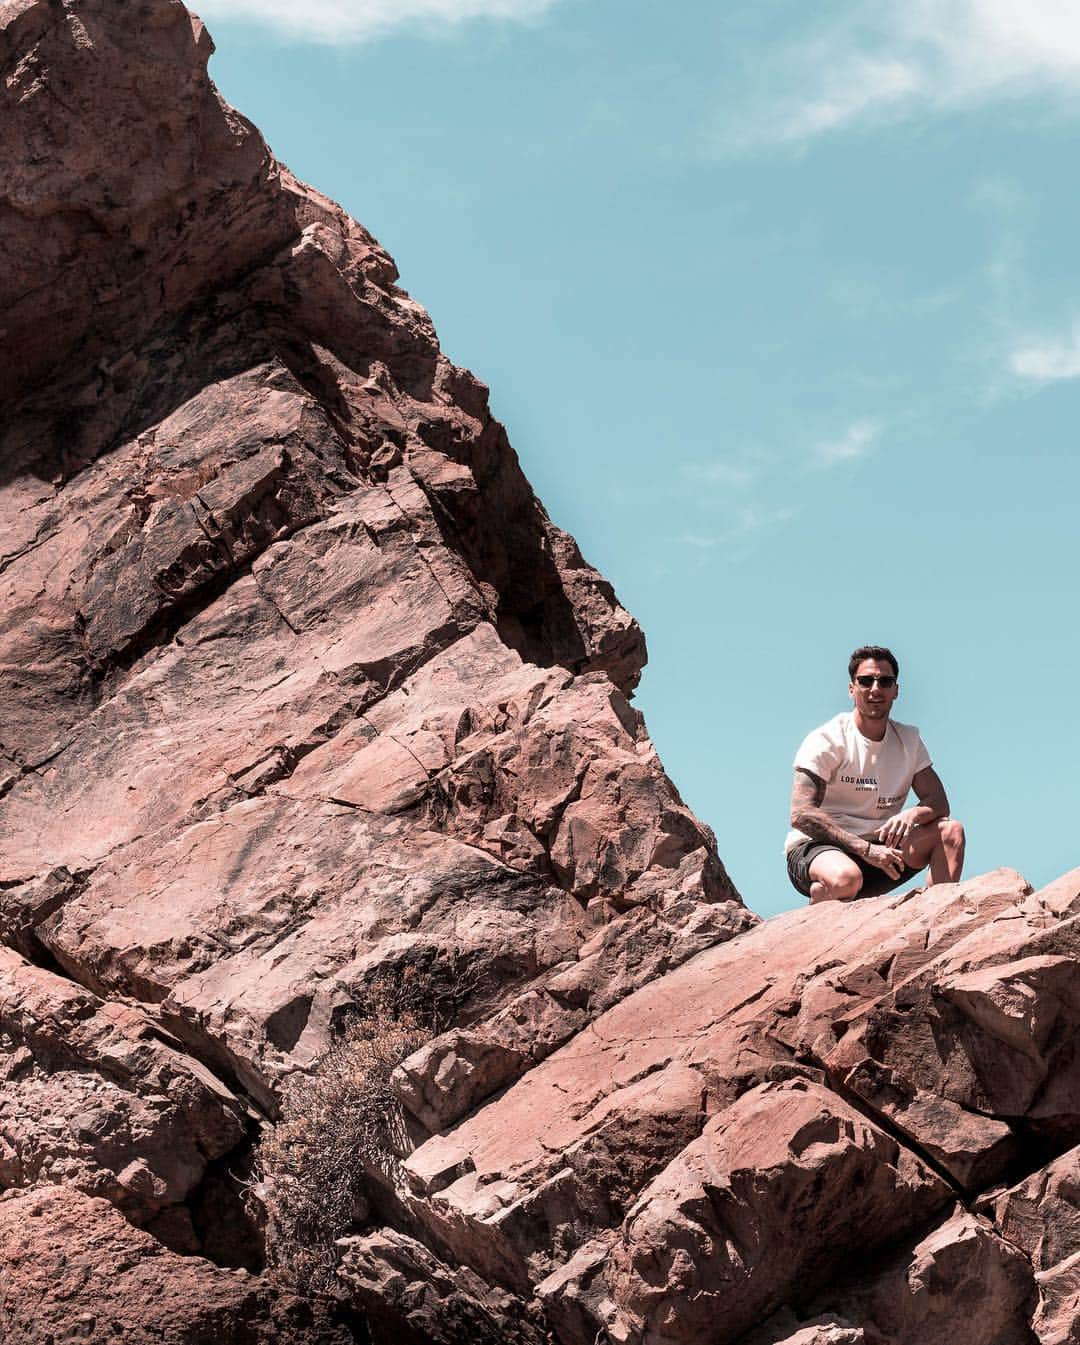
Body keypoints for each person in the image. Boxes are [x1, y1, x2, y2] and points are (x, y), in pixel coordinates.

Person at [786, 645, 965, 903]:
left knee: (951, 832)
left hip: (882, 854)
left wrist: (912, 813)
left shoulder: (909, 740)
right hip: (820, 850)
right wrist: (865, 849)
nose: (875, 689)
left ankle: (933, 919)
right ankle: (828, 898)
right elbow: (801, 814)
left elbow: (938, 802)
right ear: (852, 689)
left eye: (885, 681)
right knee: (846, 879)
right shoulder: (827, 740)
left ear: (896, 690)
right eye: (866, 681)